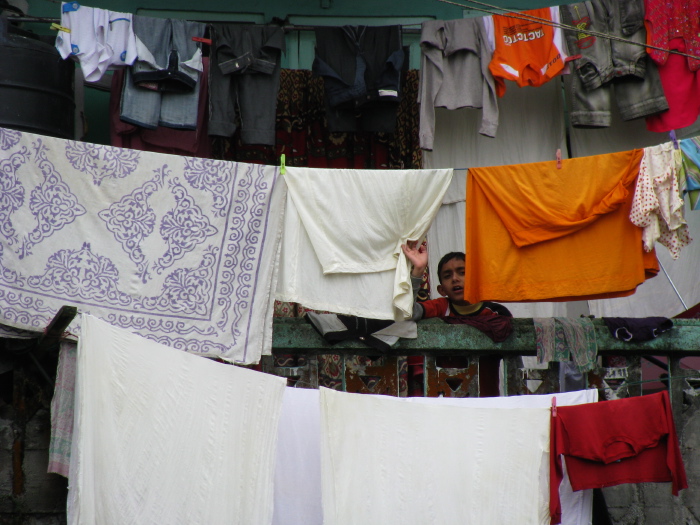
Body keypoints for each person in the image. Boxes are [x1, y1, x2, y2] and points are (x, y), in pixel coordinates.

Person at [401, 241, 512, 396]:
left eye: (462, 272)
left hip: (485, 399)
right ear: (441, 290)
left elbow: (513, 361)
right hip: (445, 399)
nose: (455, 279)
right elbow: (408, 312)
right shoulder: (442, 307)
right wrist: (418, 271)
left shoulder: (496, 313)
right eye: (447, 276)